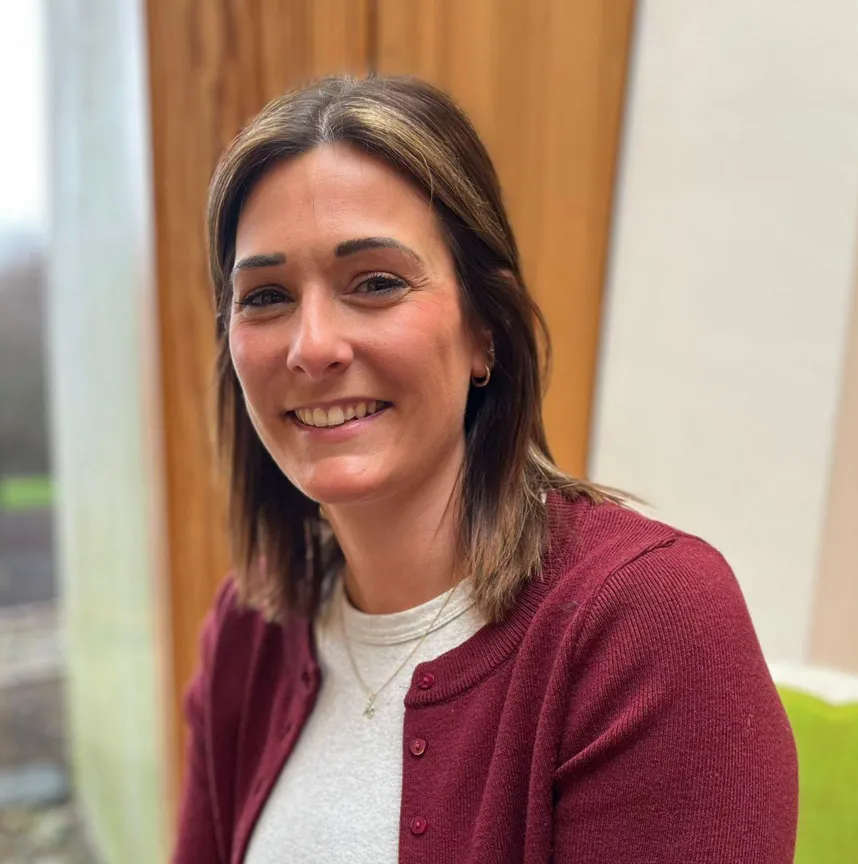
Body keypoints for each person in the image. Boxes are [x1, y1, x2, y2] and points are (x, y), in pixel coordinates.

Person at [171, 75, 797, 864]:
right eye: (265, 296)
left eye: (376, 283)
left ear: (485, 335)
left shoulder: (653, 622)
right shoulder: (249, 626)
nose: (313, 346)